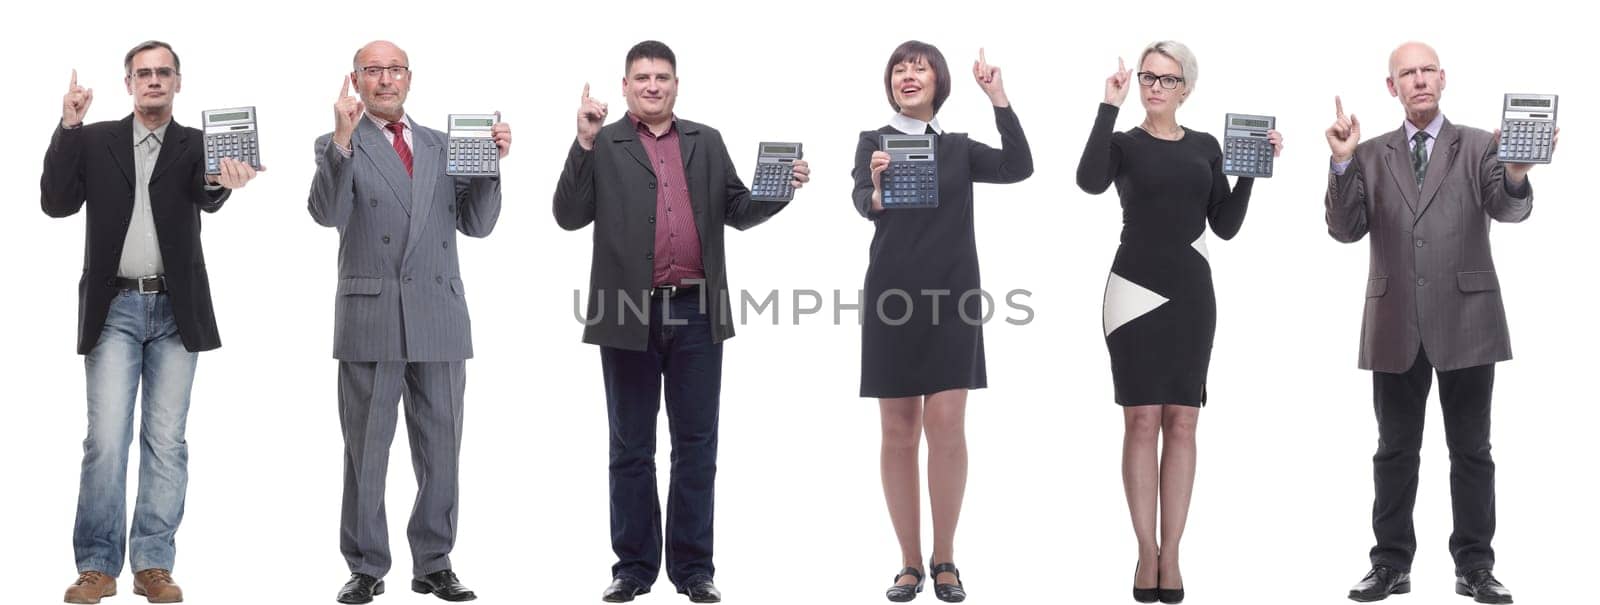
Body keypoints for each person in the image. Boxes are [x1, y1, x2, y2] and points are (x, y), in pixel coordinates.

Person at [552, 40, 810, 604]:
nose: (652, 85)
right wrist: (584, 142)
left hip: (696, 310)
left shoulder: (706, 141)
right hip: (626, 311)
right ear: (624, 87)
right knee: (631, 446)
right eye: (641, 77)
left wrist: (780, 189)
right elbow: (568, 216)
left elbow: (738, 210)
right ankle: (634, 569)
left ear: (676, 84)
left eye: (662, 77)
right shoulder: (606, 142)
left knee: (696, 446)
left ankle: (694, 570)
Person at [1327, 41, 1550, 605]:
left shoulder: (1479, 146)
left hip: (1469, 319)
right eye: (1408, 73)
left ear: (1443, 79)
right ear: (1392, 87)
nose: (1419, 80)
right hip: (1394, 319)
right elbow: (1345, 228)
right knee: (1394, 452)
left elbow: (1508, 208)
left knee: (1472, 450)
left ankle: (1475, 566)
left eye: (1427, 70)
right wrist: (1343, 162)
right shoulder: (1371, 152)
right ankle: (1390, 565)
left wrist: (1518, 172)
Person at [41, 39, 259, 605]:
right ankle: (96, 567)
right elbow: (55, 202)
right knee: (107, 442)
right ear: (129, 84)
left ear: (178, 83)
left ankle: (153, 565)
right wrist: (67, 126)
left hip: (174, 313)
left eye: (164, 72)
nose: (154, 81)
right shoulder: (93, 140)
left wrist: (223, 182)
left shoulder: (196, 144)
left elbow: (206, 195)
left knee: (167, 442)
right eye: (144, 73)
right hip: (113, 309)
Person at [1075, 40, 1280, 605]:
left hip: (1191, 291)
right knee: (1141, 421)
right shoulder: (1122, 143)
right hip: (1133, 289)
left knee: (1184, 423)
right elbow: (1089, 181)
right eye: (1148, 77)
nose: (1155, 87)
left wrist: (1250, 172)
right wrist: (1107, 106)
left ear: (1186, 88)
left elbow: (1227, 225)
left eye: (1167, 79)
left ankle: (1175, 553)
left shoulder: (1208, 147)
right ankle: (1146, 552)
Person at [308, 39, 510, 604]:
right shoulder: (336, 142)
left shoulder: (447, 145)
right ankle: (366, 565)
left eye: (395, 69)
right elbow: (326, 213)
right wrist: (344, 141)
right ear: (356, 80)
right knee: (366, 452)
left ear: (410, 78)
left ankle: (435, 562)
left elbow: (479, 225)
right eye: (373, 70)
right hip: (371, 315)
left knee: (442, 449)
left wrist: (491, 169)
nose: (385, 79)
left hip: (439, 314)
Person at [853, 41, 1032, 603]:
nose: (908, 75)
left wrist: (998, 98)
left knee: (948, 425)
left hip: (953, 296)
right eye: (899, 69)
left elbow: (1017, 166)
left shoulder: (956, 148)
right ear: (891, 84)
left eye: (920, 67)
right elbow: (862, 201)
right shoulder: (871, 142)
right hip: (893, 296)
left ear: (938, 81)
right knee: (898, 431)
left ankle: (946, 557)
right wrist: (877, 187)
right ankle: (909, 562)